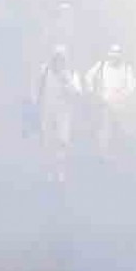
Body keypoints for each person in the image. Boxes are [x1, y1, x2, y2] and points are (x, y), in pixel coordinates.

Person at [31, 44, 83, 183]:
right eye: (56, 58)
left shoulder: (71, 73)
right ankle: (49, 171)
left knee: (62, 142)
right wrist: (35, 103)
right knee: (48, 142)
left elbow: (78, 92)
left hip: (64, 114)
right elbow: (36, 88)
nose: (59, 61)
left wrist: (67, 82)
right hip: (46, 111)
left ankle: (61, 172)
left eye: (62, 58)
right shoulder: (45, 71)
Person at [84, 44, 136, 159]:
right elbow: (88, 77)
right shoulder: (101, 66)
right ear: (108, 53)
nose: (114, 55)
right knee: (105, 130)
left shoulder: (126, 68)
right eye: (112, 52)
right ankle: (103, 155)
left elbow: (132, 85)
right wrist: (94, 92)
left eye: (117, 53)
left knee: (122, 130)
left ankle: (123, 154)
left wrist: (124, 95)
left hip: (121, 105)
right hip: (105, 103)